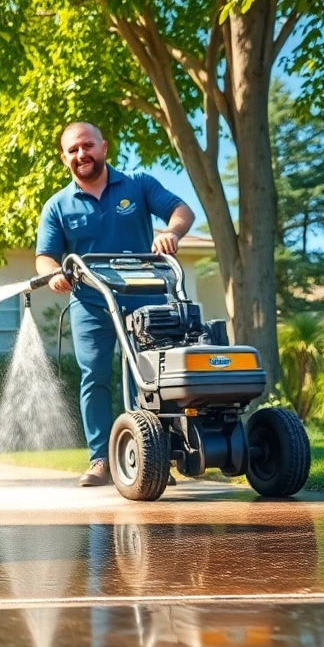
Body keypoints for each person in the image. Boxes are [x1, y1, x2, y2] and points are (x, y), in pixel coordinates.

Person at [36, 122, 195, 487]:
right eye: (73, 150)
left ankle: (156, 458)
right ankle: (100, 461)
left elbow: (181, 210)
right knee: (94, 375)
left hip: (146, 298)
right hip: (91, 302)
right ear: (64, 158)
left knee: (152, 374)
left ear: (104, 147)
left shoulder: (138, 185)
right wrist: (55, 274)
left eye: (87, 146)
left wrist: (171, 232)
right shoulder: (57, 206)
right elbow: (44, 257)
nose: (81, 155)